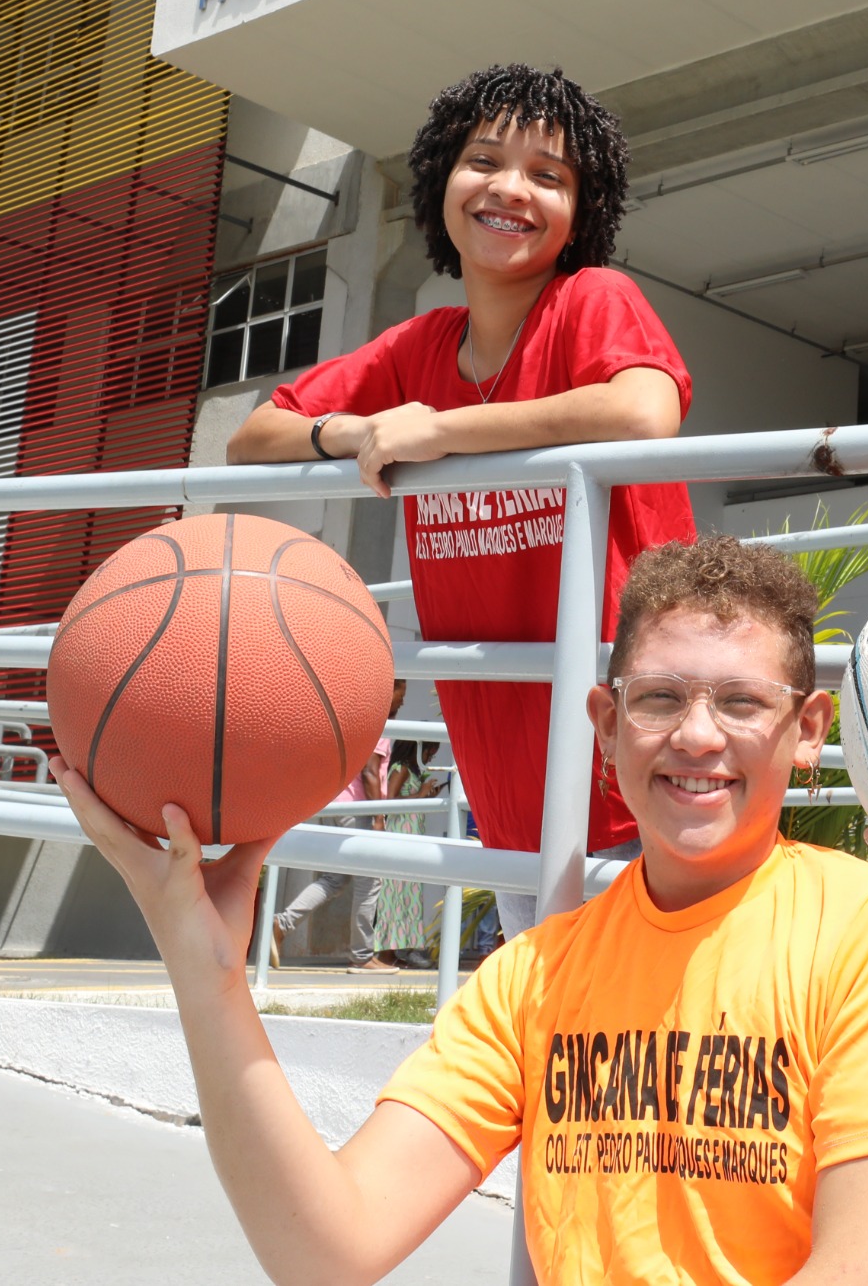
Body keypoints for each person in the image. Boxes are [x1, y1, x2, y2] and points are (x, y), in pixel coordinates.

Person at [56, 535, 868, 1285]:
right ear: (607, 725)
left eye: (742, 702)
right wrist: (207, 969)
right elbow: (326, 1251)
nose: (698, 734)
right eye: (659, 697)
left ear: (807, 732)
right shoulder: (536, 976)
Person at [233, 63, 695, 936]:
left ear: (579, 213)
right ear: (444, 176)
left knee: (651, 1048)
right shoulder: (420, 345)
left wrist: (441, 433)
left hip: (636, 775)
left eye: (548, 176)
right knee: (556, 1045)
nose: (510, 189)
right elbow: (255, 434)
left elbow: (643, 411)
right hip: (508, 785)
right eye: (485, 160)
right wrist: (354, 432)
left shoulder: (593, 300)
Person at [270, 700, 399, 972]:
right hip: (359, 809)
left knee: (334, 879)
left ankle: (282, 924)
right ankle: (362, 956)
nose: (403, 699)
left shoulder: (356, 718)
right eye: (401, 690)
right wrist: (378, 816)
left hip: (336, 803)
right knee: (369, 883)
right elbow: (369, 771)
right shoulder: (379, 724)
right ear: (389, 690)